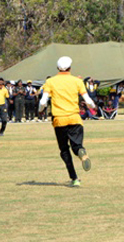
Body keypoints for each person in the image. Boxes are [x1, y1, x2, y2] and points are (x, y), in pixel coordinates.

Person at [38, 56, 96, 187]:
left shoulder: (50, 81)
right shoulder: (77, 81)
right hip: (75, 118)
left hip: (59, 119)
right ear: (70, 67)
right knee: (76, 146)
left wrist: (41, 110)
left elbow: (43, 101)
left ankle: (74, 178)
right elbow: (88, 101)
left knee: (64, 150)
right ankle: (81, 152)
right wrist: (93, 108)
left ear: (58, 68)